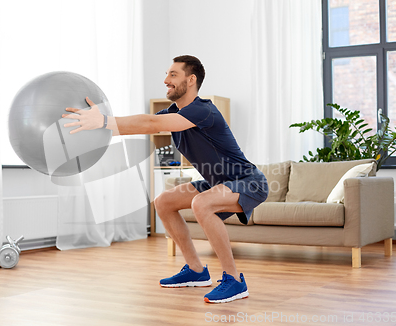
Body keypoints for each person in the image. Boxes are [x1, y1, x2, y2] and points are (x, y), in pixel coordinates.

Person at [62, 55, 268, 303]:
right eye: (167, 75)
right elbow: (145, 124)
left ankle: (234, 280)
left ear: (191, 80)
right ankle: (195, 271)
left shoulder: (204, 110)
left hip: (248, 180)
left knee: (201, 203)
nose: (165, 80)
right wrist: (97, 124)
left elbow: (150, 122)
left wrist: (104, 121)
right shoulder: (173, 114)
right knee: (164, 202)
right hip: (219, 182)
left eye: (173, 75)